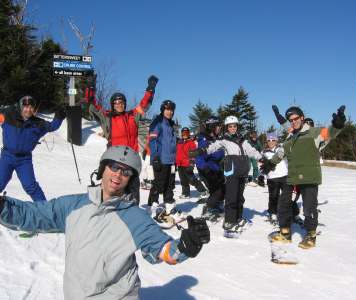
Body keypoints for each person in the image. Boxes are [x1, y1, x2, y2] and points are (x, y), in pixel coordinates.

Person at [0, 146, 210, 300]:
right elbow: (33, 214)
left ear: (131, 179)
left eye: (126, 172)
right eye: (114, 167)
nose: (118, 174)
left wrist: (185, 246)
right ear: (103, 169)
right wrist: (3, 206)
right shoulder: (73, 205)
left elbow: (164, 250)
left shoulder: (135, 217)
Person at [264, 105, 346, 249]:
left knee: (309, 208)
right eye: (291, 120)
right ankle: (285, 233)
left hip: (309, 177)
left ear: (302, 118)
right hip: (293, 177)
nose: (293, 122)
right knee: (283, 205)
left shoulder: (314, 133)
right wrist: (270, 164)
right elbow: (281, 153)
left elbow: (330, 133)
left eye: (296, 119)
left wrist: (337, 125)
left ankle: (310, 235)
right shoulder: (290, 137)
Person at [86, 75, 158, 203]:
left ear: (125, 103)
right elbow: (91, 105)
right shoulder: (107, 117)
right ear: (112, 105)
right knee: (112, 194)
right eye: (116, 103)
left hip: (131, 161)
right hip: (114, 161)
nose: (119, 104)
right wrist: (90, 87)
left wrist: (150, 89)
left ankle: (133, 217)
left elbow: (144, 104)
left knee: (133, 196)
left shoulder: (132, 115)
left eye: (121, 102)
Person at [192, 116, 262, 237]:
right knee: (231, 197)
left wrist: (262, 158)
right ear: (227, 128)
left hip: (242, 172)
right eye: (230, 126)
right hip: (232, 172)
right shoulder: (223, 140)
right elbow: (212, 147)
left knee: (240, 197)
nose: (233, 128)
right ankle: (229, 221)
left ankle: (238, 218)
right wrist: (201, 151)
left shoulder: (243, 140)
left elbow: (252, 151)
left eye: (234, 126)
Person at [0, 96, 65, 201]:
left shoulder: (37, 124)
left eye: (31, 107)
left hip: (24, 160)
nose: (28, 109)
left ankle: (43, 209)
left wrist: (59, 116)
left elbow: (52, 126)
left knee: (30, 186)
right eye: (25, 107)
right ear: (21, 107)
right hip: (7, 157)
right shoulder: (8, 117)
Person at [147, 100, 178, 216]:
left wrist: (175, 161)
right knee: (158, 185)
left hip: (171, 161)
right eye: (167, 109)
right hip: (160, 160)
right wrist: (155, 157)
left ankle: (169, 206)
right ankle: (152, 207)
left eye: (171, 110)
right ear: (162, 110)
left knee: (170, 185)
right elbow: (153, 140)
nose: (169, 112)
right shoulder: (158, 122)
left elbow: (173, 144)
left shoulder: (170, 124)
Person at [194, 116, 226, 221]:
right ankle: (208, 209)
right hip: (208, 170)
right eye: (217, 126)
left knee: (221, 189)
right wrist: (206, 170)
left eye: (219, 126)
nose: (219, 128)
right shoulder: (204, 139)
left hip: (216, 168)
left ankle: (217, 206)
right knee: (218, 190)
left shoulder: (215, 138)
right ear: (211, 127)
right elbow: (199, 157)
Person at [261, 132, 288, 225]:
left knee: (287, 197)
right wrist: (261, 175)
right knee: (273, 196)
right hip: (272, 178)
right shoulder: (264, 152)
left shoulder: (282, 149)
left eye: (273, 140)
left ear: (276, 140)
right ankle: (272, 213)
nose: (271, 142)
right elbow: (262, 166)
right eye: (269, 140)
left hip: (284, 176)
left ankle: (292, 213)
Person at [176, 127, 208, 199]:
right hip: (180, 164)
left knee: (192, 179)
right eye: (183, 133)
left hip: (187, 164)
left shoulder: (191, 142)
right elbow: (177, 153)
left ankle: (203, 191)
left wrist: (191, 164)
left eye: (186, 133)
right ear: (181, 134)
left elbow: (194, 154)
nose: (185, 135)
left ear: (188, 134)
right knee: (183, 180)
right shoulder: (179, 142)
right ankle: (185, 193)